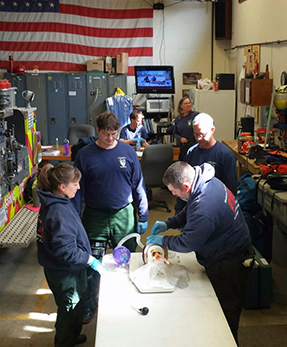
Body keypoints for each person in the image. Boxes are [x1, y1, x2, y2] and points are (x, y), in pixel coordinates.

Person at [146, 161, 254, 345]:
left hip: (230, 261)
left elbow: (188, 242)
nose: (172, 194)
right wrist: (170, 223)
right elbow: (191, 210)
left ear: (186, 186)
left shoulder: (205, 206)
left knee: (226, 313)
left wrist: (163, 240)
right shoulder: (207, 182)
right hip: (228, 245)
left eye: (173, 191)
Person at [72, 111, 149, 318]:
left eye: (114, 133)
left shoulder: (128, 152)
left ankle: (129, 298)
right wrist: (75, 219)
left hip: (124, 215)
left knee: (128, 260)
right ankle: (90, 304)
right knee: (92, 263)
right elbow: (77, 190)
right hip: (95, 216)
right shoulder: (85, 155)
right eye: (106, 134)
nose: (110, 138)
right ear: (98, 131)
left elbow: (138, 186)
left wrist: (143, 215)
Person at [36, 163, 107, 347]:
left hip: (64, 268)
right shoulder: (58, 211)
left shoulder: (55, 200)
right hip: (65, 272)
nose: (78, 187)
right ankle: (64, 342)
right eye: (75, 184)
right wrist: (89, 259)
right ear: (62, 186)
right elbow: (65, 250)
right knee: (69, 311)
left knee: (76, 308)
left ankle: (72, 337)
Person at [174, 112, 237, 213]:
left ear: (212, 130)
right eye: (196, 134)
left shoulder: (225, 155)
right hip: (194, 208)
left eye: (202, 134)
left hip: (215, 209)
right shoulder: (191, 152)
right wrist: (179, 210)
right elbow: (183, 182)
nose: (199, 138)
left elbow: (231, 190)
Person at [173, 95, 199, 160]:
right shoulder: (178, 119)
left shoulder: (196, 115)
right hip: (183, 147)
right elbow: (175, 133)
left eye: (189, 103)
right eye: (186, 103)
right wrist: (180, 138)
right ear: (181, 106)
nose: (188, 105)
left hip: (195, 146)